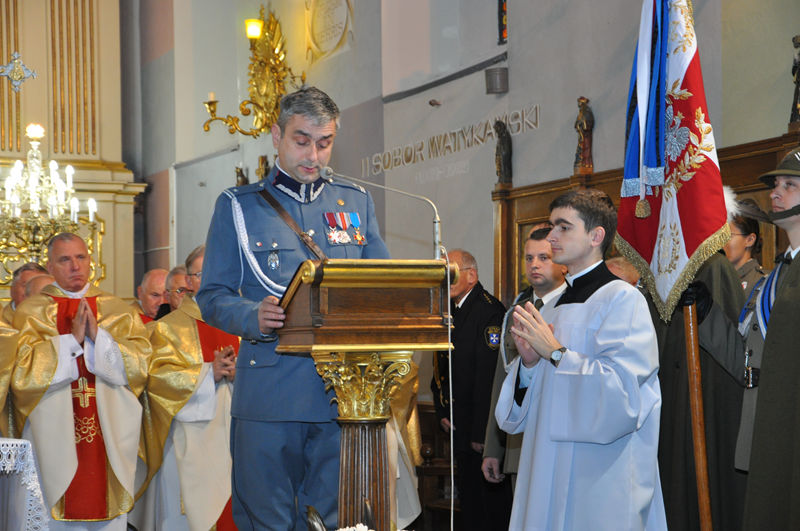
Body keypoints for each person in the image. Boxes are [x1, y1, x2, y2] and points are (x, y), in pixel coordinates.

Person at [197, 86, 390, 531]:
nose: (313, 155)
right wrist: (252, 316)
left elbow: (380, 284)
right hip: (270, 395)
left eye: (324, 143)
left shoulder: (355, 201)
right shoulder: (238, 207)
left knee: (337, 520)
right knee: (266, 520)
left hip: (341, 396)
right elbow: (212, 296)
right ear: (276, 135)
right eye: (302, 141)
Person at [497, 189, 667, 530]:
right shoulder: (552, 307)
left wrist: (556, 354)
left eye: (563, 227)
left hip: (599, 474)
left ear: (596, 236)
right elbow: (517, 417)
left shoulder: (622, 300)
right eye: (551, 226)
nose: (552, 237)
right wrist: (529, 365)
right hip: (546, 466)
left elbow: (624, 396)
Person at [686, 147, 800, 529]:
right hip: (763, 432)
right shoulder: (775, 279)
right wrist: (706, 313)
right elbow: (745, 364)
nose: (775, 193)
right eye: (775, 184)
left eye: (789, 184)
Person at [10, 232, 152, 530]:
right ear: (50, 267)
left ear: (90, 261)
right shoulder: (32, 311)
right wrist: (71, 342)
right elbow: (22, 375)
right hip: (53, 435)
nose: (75, 266)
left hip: (110, 430)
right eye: (65, 260)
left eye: (81, 257)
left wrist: (99, 337)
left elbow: (140, 367)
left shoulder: (117, 308)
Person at [137, 244, 239, 531]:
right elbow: (156, 382)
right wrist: (208, 374)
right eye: (202, 273)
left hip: (240, 439)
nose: (213, 277)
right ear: (190, 282)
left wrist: (240, 375)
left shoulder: (244, 322)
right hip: (191, 440)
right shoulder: (167, 328)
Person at [482, 226, 567, 492]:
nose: (534, 265)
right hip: (519, 446)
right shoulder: (516, 312)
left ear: (563, 264)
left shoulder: (573, 308)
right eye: (529, 258)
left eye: (544, 257)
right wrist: (493, 448)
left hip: (559, 441)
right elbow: (502, 380)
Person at [431, 249, 511, 531]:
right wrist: (442, 409)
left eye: (451, 272)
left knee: (488, 508)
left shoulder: (489, 311)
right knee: (470, 505)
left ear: (471, 276)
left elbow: (488, 378)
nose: (446, 278)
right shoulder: (449, 311)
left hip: (479, 429)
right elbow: (441, 365)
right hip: (458, 423)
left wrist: (482, 433)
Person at [723, 210, 766, 299]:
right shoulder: (717, 279)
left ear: (750, 240)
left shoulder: (763, 281)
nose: (720, 244)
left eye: (727, 236)